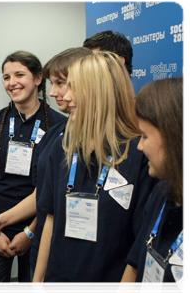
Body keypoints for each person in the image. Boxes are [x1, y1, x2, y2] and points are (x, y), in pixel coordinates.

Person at [32, 52, 158, 293]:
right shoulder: (64, 147)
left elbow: (141, 244)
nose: (66, 97)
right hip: (56, 285)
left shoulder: (139, 156)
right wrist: (38, 283)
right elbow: (50, 216)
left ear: (100, 93)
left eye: (74, 88)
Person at [0, 51, 66, 293]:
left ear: (37, 78)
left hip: (39, 226)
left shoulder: (58, 125)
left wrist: (30, 232)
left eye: (19, 74)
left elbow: (52, 189)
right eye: (6, 77)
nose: (12, 83)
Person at [0, 47, 93, 287]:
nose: (53, 93)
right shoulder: (54, 136)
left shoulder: (117, 143)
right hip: (53, 251)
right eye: (53, 84)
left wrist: (26, 232)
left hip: (88, 259)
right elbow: (45, 199)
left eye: (61, 83)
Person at [117, 77, 187, 293]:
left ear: (175, 138)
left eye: (145, 136)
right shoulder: (162, 193)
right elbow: (135, 264)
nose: (140, 146)